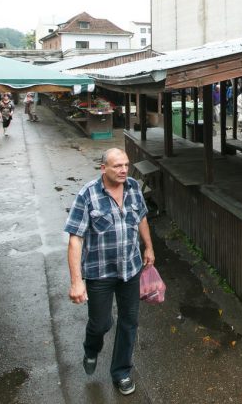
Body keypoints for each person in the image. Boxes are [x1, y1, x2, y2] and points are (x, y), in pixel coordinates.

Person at [65, 148, 155, 396]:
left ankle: (122, 372)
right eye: (117, 166)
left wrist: (148, 247)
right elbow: (75, 239)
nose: (124, 170)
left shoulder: (134, 187)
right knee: (101, 323)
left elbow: (142, 218)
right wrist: (76, 282)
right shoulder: (88, 195)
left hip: (130, 268)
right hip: (99, 273)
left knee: (130, 322)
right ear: (103, 168)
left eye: (126, 165)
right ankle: (91, 348)